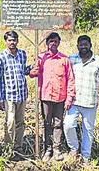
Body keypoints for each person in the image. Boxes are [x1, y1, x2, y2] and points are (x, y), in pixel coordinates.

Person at [64, 35, 99, 163]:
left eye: (86, 44)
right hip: (73, 101)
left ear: (90, 45)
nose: (83, 47)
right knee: (68, 125)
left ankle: (85, 157)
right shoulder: (71, 59)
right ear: (77, 46)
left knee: (88, 130)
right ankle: (74, 149)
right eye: (81, 44)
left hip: (90, 102)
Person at [29, 32, 75, 161]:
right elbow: (32, 74)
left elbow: (70, 79)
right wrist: (33, 72)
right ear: (46, 43)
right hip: (45, 97)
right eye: (50, 41)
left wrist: (69, 98)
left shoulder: (64, 60)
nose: (53, 44)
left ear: (59, 42)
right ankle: (47, 149)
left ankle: (57, 149)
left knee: (58, 124)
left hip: (60, 98)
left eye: (55, 41)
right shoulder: (40, 58)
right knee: (46, 123)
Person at [0, 31, 31, 152]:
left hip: (22, 94)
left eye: (14, 40)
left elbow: (23, 71)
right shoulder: (0, 57)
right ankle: (8, 148)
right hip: (9, 96)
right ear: (5, 41)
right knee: (10, 122)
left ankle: (18, 146)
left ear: (17, 41)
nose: (12, 42)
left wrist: (32, 68)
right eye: (10, 40)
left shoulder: (22, 54)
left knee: (20, 122)